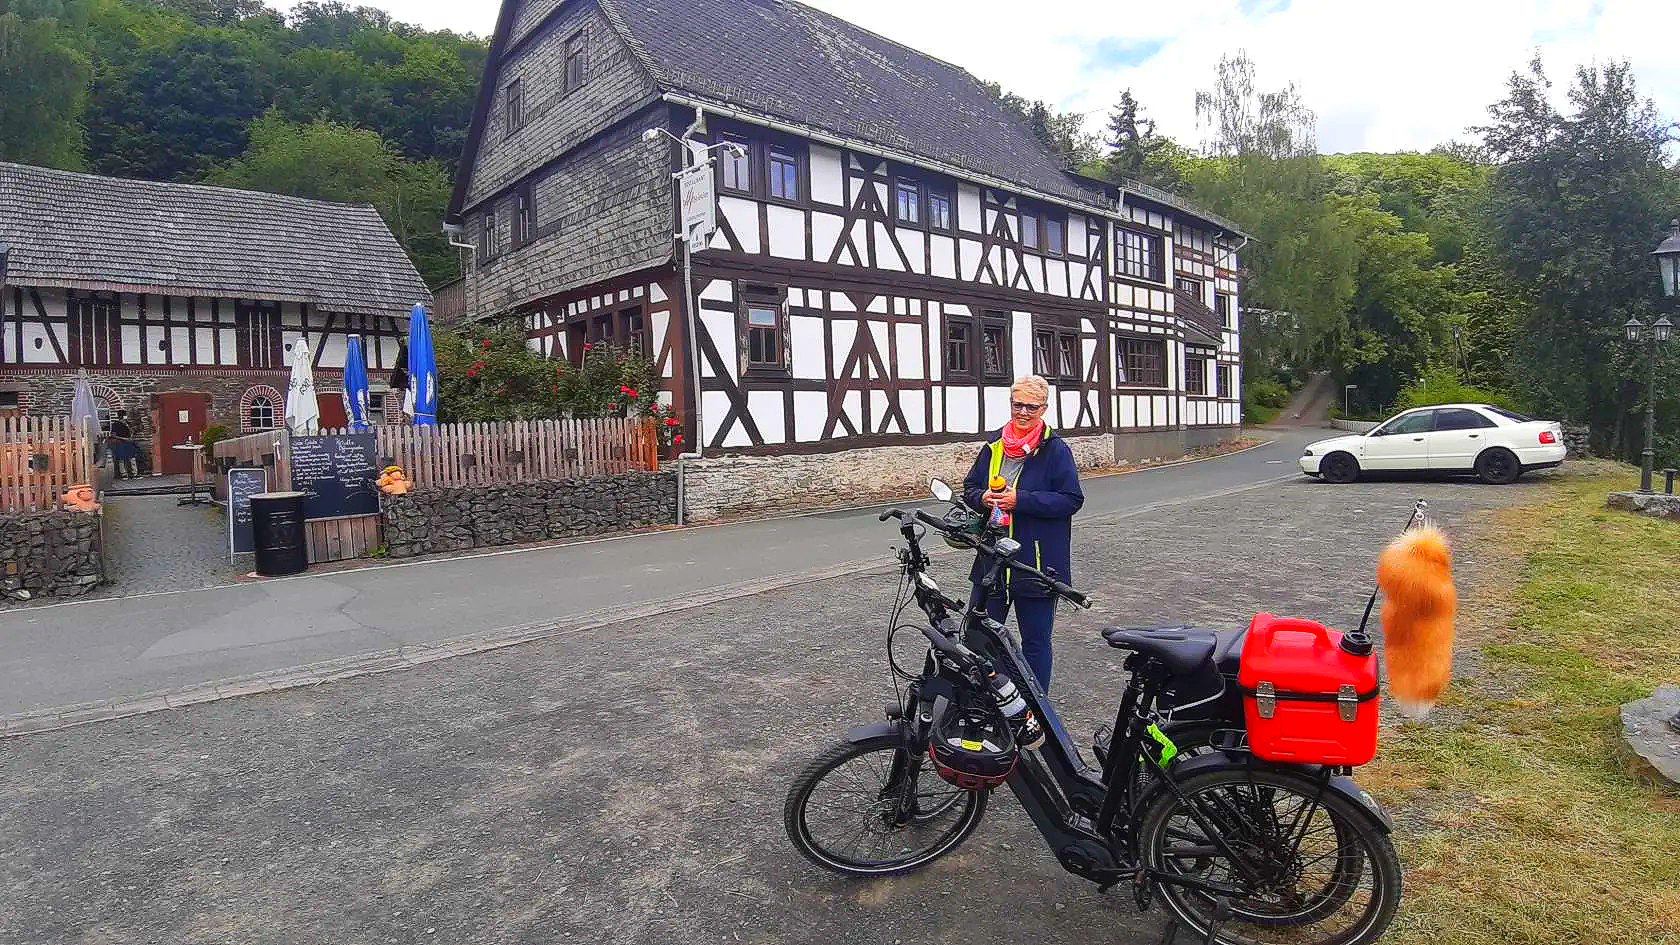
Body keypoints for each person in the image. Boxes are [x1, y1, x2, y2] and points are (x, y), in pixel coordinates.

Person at [962, 374, 1084, 692]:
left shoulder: (1055, 450)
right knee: (978, 637)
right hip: (992, 561)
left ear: (1043, 408)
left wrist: (1022, 500)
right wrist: (982, 498)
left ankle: (1036, 707)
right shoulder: (994, 446)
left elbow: (1071, 499)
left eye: (1031, 406)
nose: (1023, 412)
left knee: (1035, 643)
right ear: (1011, 404)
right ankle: (984, 700)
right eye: (1018, 405)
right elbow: (970, 487)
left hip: (1037, 565)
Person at [106, 413, 140, 479]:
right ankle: (123, 474)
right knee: (121, 458)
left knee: (132, 458)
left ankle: (134, 473)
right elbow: (113, 435)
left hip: (129, 442)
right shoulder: (115, 424)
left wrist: (130, 431)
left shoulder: (127, 424)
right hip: (120, 442)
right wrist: (124, 439)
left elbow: (132, 432)